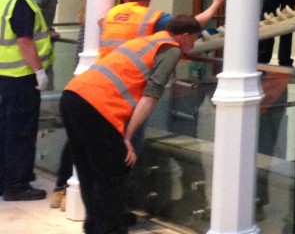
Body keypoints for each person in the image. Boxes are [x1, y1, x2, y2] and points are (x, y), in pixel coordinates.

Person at [60, 15, 202, 234]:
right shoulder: (170, 49)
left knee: (88, 169)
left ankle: (94, 225)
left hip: (72, 96)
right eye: (193, 40)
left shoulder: (147, 40)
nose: (191, 46)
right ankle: (111, 229)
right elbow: (151, 95)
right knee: (114, 171)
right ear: (184, 36)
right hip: (98, 106)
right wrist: (127, 136)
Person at [0, 0, 53, 201]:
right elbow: (24, 40)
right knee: (21, 131)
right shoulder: (21, 0)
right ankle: (17, 185)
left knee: (7, 129)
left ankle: (5, 179)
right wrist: (39, 72)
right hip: (21, 76)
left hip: (6, 74)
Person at [99, 0, 225, 57]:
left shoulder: (108, 15)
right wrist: (216, 4)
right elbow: (193, 24)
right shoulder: (152, 18)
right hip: (131, 73)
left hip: (104, 70)